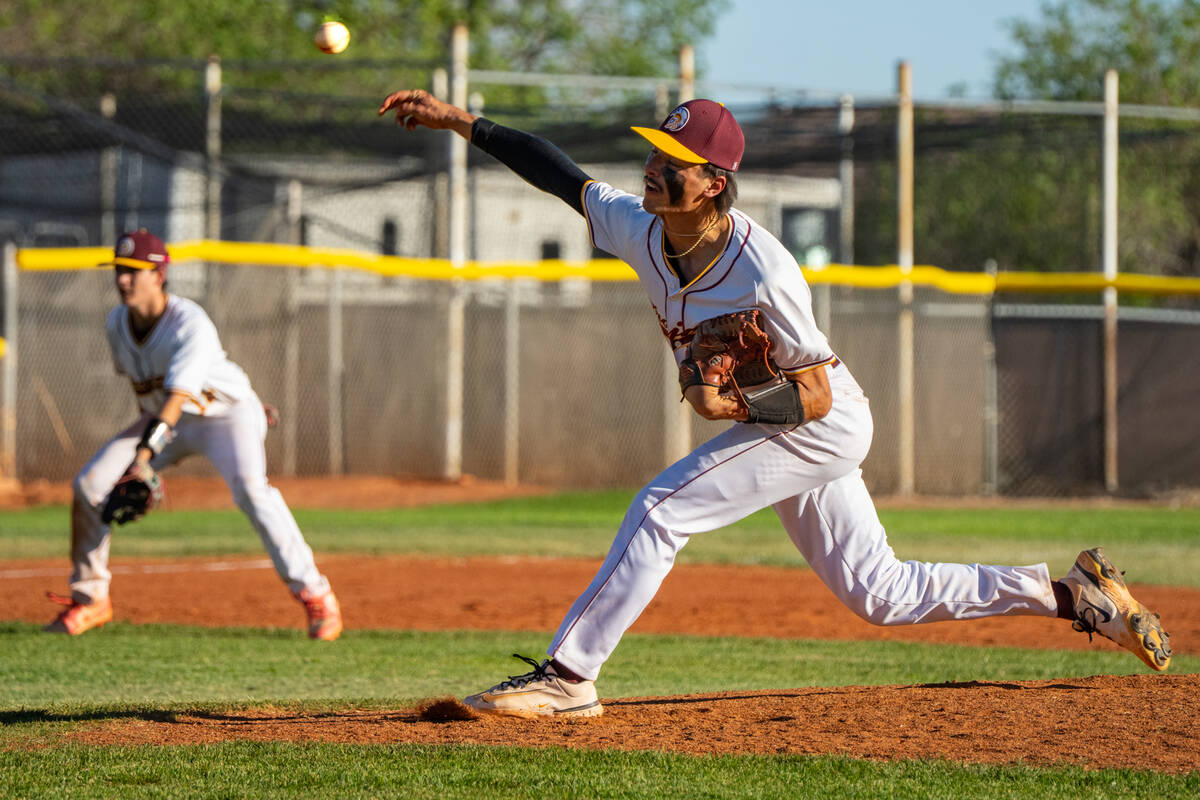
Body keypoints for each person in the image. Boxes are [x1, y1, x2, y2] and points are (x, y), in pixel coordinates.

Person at [378, 91, 1172, 717]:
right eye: (656, 151)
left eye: (676, 163)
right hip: (793, 423)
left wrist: (733, 404)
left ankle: (568, 678)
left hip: (820, 422)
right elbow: (557, 173)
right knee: (882, 595)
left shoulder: (766, 271)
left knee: (662, 511)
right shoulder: (639, 228)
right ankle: (1074, 595)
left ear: (714, 184)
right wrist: (459, 122)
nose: (655, 169)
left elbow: (818, 395)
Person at [44, 229, 343, 641]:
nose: (123, 279)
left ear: (159, 274)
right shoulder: (117, 323)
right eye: (119, 270)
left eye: (134, 271)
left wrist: (144, 458)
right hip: (167, 421)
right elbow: (146, 397)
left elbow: (176, 398)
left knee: (252, 493)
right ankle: (91, 598)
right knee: (90, 485)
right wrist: (139, 459)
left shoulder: (189, 322)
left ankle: (317, 596)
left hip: (226, 414)